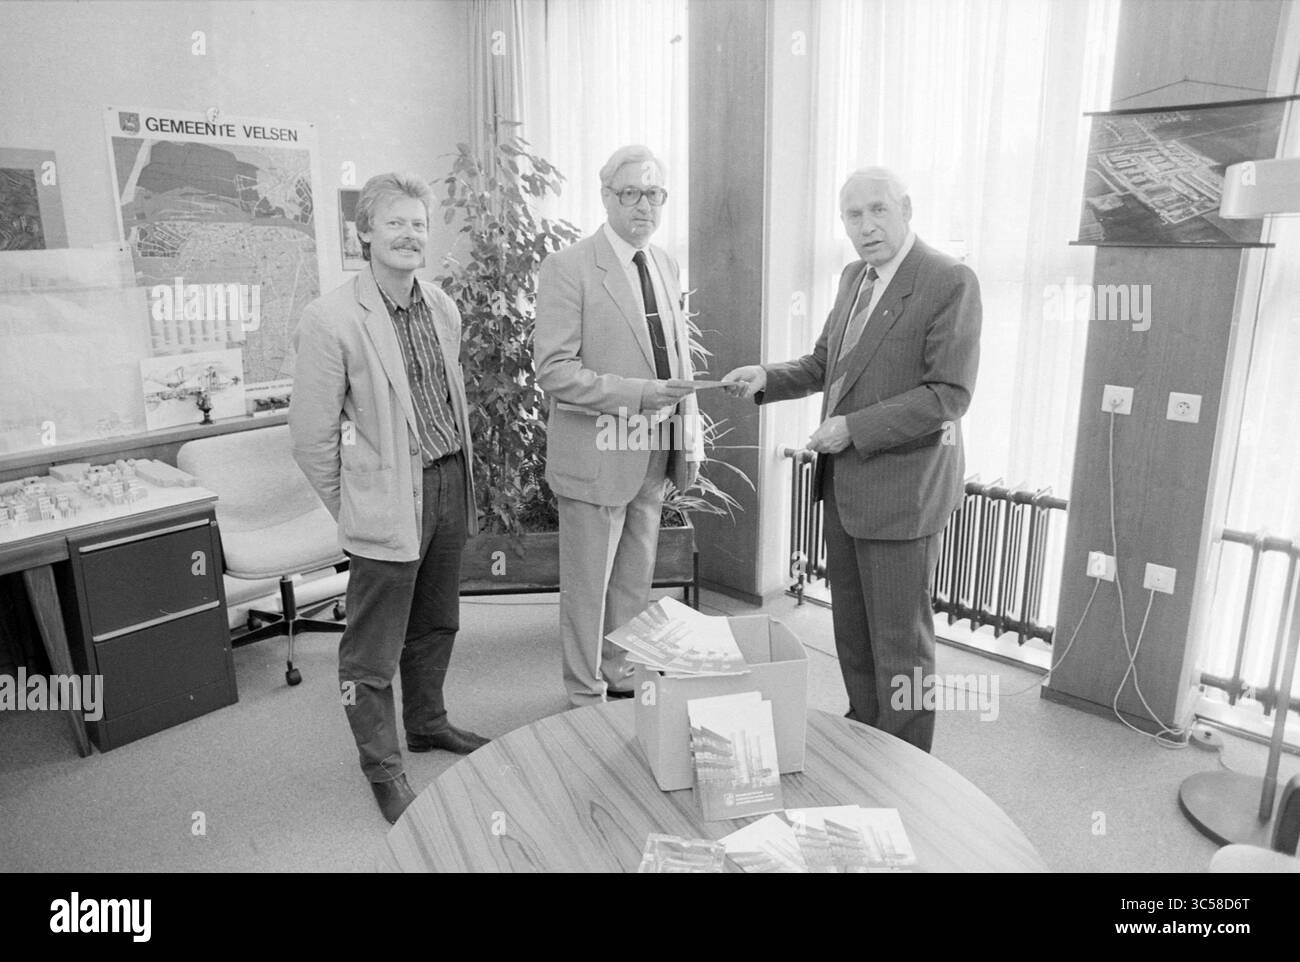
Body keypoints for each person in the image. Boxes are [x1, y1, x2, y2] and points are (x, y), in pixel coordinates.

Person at [723, 167, 981, 752]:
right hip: (845, 489)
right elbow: (824, 364)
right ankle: (869, 735)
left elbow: (949, 396)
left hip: (902, 492)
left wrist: (852, 429)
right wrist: (767, 376)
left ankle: (908, 760)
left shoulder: (948, 280)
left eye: (877, 210)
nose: (866, 226)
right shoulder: (853, 279)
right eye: (853, 215)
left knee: (901, 645)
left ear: (906, 208)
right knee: (854, 634)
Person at [290, 172, 489, 824]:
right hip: (386, 502)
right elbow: (313, 441)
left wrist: (457, 484)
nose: (410, 234)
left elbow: (446, 403)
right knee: (369, 655)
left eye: (419, 224)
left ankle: (428, 723)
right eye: (396, 222)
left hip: (448, 485)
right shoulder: (331, 320)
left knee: (438, 622)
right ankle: (383, 772)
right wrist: (356, 509)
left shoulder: (442, 308)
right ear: (366, 233)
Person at [535, 144, 704, 707]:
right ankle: (584, 693)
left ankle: (621, 668)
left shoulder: (665, 263)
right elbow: (555, 373)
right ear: (606, 197)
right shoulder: (568, 268)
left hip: (655, 450)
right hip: (596, 455)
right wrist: (636, 397)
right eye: (630, 193)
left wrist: (690, 436)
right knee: (588, 586)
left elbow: (676, 359)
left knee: (634, 575)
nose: (643, 206)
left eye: (654, 194)